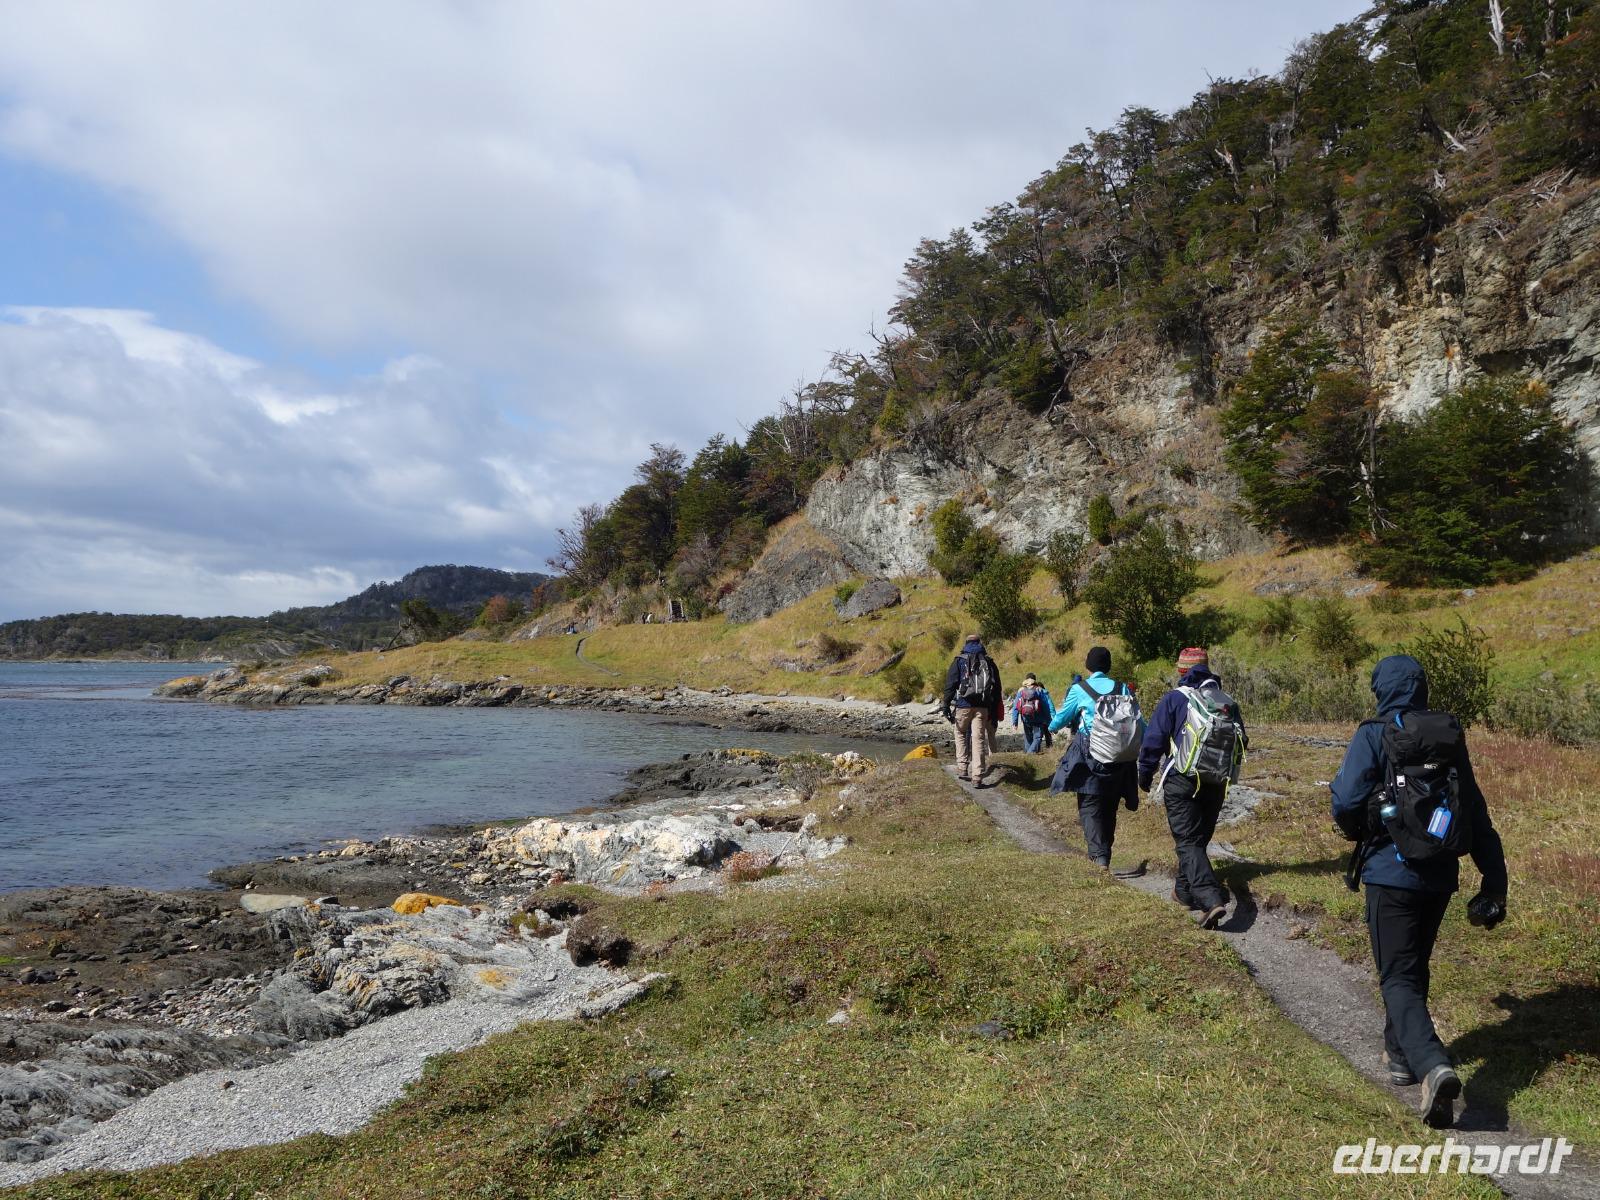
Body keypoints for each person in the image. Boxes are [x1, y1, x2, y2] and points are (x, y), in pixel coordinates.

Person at [1330, 654, 1507, 1129]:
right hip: (1441, 875)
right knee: (1412, 966)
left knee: (1397, 976)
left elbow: (1346, 800)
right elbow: (1474, 810)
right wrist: (1494, 881)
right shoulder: (1449, 736)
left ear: (1382, 689)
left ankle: (1432, 1065)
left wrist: (1354, 830)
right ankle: (1400, 1056)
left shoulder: (1374, 733)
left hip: (1390, 873)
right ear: (1422, 687)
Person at [1138, 647, 1247, 930]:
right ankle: (1183, 893)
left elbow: (1154, 740)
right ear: (1208, 669)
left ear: (1181, 671)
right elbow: (1242, 741)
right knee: (1196, 842)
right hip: (1216, 782)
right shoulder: (1226, 701)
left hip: (1182, 779)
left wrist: (1145, 773)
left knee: (1187, 842)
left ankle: (1211, 900)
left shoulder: (1175, 699)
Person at [1047, 647, 1141, 868]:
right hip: (1119, 755)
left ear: (1088, 665)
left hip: (1090, 754)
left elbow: (1062, 718)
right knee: (1110, 805)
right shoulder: (1123, 687)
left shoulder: (1080, 689)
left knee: (1090, 803)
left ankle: (1099, 856)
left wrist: (1052, 727)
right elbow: (1138, 720)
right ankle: (1104, 852)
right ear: (1108, 666)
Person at [941, 633, 1003, 787]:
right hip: (983, 707)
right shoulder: (988, 662)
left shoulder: (959, 661)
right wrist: (994, 711)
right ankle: (977, 776)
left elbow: (950, 685)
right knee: (978, 739)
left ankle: (962, 767)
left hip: (963, 705)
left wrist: (945, 705)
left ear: (966, 643)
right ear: (980, 643)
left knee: (960, 732)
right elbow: (997, 689)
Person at [1010, 672, 1056, 754]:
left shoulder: (1021, 691)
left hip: (1025, 718)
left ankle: (1030, 753)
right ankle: (1030, 754)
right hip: (1038, 719)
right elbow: (1047, 707)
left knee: (1028, 737)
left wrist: (1015, 721)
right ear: (1035, 680)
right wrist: (1050, 721)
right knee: (1037, 737)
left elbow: (1015, 707)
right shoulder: (1040, 690)